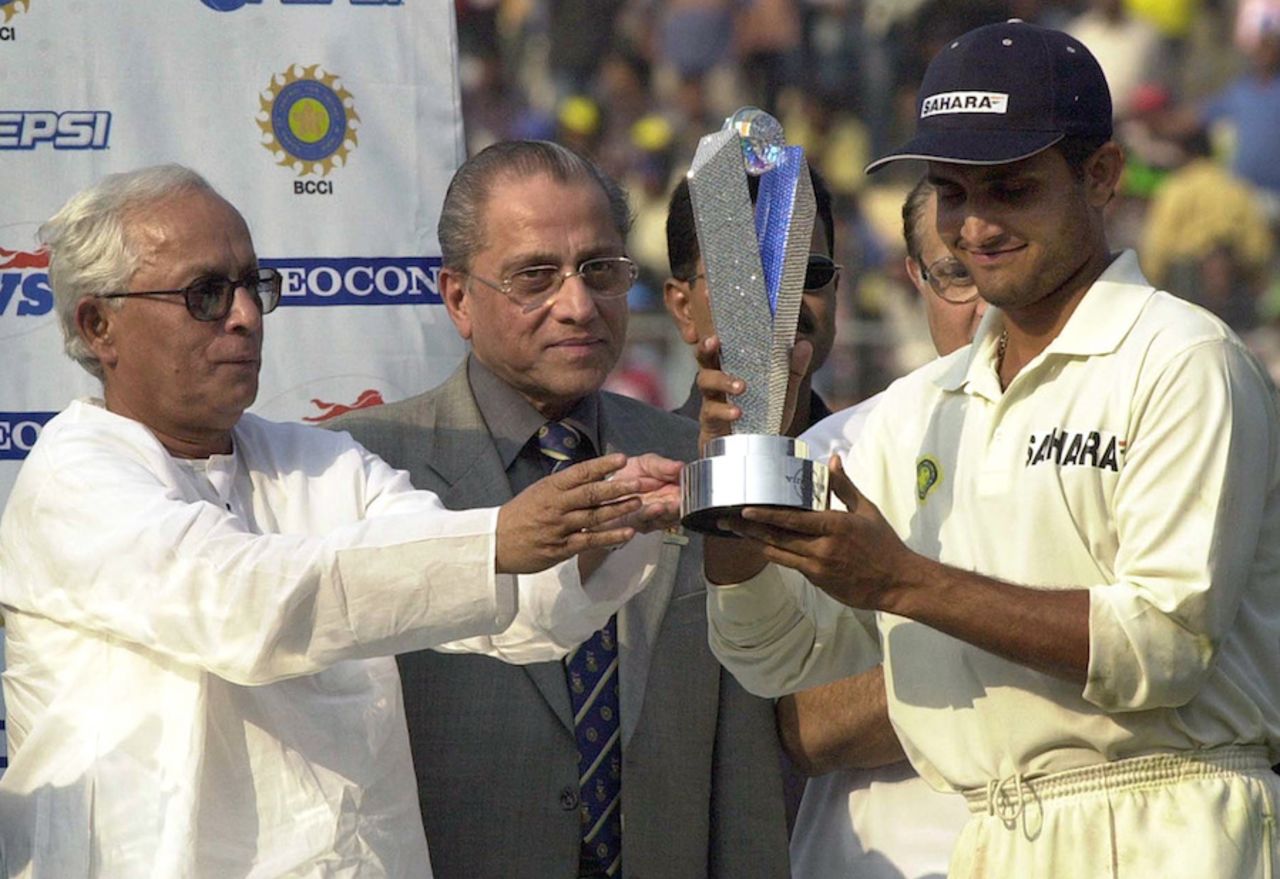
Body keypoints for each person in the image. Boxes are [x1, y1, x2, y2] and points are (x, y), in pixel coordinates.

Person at [700, 20, 1280, 877]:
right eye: (952, 192)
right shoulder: (920, 408)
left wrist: (902, 581)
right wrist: (737, 485)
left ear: (1102, 177)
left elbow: (1157, 648)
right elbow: (782, 656)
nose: (975, 225)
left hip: (1171, 826)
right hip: (993, 835)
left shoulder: (1183, 359)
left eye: (1010, 188)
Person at [0, 164, 679, 878]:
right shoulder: (74, 478)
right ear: (99, 324)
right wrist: (497, 540)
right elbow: (244, 606)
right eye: (206, 293)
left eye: (252, 286)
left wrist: (612, 516)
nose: (244, 315)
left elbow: (506, 608)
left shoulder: (316, 461)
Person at [330, 140, 789, 879]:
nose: (577, 305)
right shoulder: (357, 470)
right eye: (535, 275)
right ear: (457, 298)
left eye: (600, 271)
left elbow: (740, 757)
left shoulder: (697, 462)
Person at [782, 179, 977, 879]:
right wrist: (1050, 645)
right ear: (915, 278)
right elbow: (805, 723)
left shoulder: (1139, 425)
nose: (987, 301)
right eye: (956, 273)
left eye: (1002, 261)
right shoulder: (836, 453)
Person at [664, 166, 839, 435]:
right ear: (684, 308)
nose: (781, 296)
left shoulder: (875, 464)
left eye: (807, 273)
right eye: (746, 275)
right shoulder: (636, 470)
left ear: (835, 289)